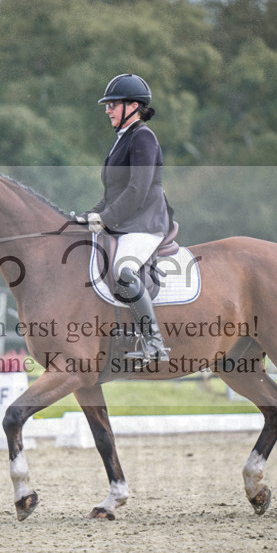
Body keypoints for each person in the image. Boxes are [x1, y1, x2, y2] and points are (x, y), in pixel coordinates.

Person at [77, 73, 172, 362]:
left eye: (112, 105)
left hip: (145, 223)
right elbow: (112, 192)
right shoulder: (123, 139)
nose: (107, 110)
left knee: (123, 270)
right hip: (126, 222)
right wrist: (87, 216)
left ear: (133, 105)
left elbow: (137, 190)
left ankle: (153, 343)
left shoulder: (143, 137)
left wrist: (105, 219)